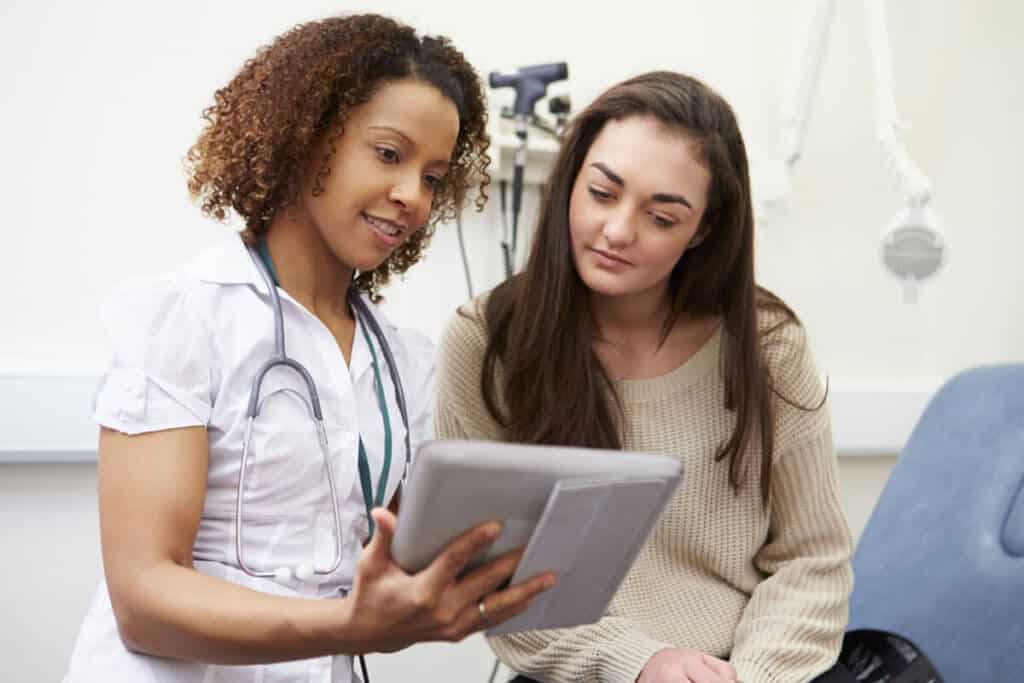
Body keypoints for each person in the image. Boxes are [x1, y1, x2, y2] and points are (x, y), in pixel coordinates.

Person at [63, 14, 553, 683]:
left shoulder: (400, 363)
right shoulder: (183, 319)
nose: (412, 197)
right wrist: (350, 624)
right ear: (305, 136)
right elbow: (144, 599)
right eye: (389, 154)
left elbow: (391, 563)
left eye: (434, 177)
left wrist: (478, 568)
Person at [434, 71, 854, 683]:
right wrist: (641, 663)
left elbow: (813, 560)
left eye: (661, 217)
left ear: (702, 229)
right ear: (570, 182)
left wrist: (749, 676)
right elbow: (494, 574)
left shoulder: (767, 347)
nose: (618, 231)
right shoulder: (486, 341)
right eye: (602, 194)